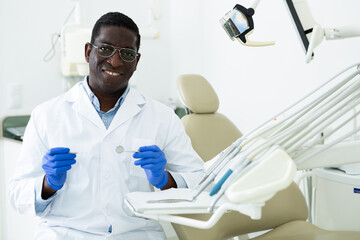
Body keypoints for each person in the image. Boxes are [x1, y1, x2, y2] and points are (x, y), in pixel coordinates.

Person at [8, 12, 204, 240]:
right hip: (66, 235)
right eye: (105, 49)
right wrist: (47, 184)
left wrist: (165, 179)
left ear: (136, 61)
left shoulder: (162, 117)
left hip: (137, 235)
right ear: (88, 52)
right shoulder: (46, 115)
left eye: (127, 53)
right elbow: (16, 195)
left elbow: (200, 181)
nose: (115, 61)